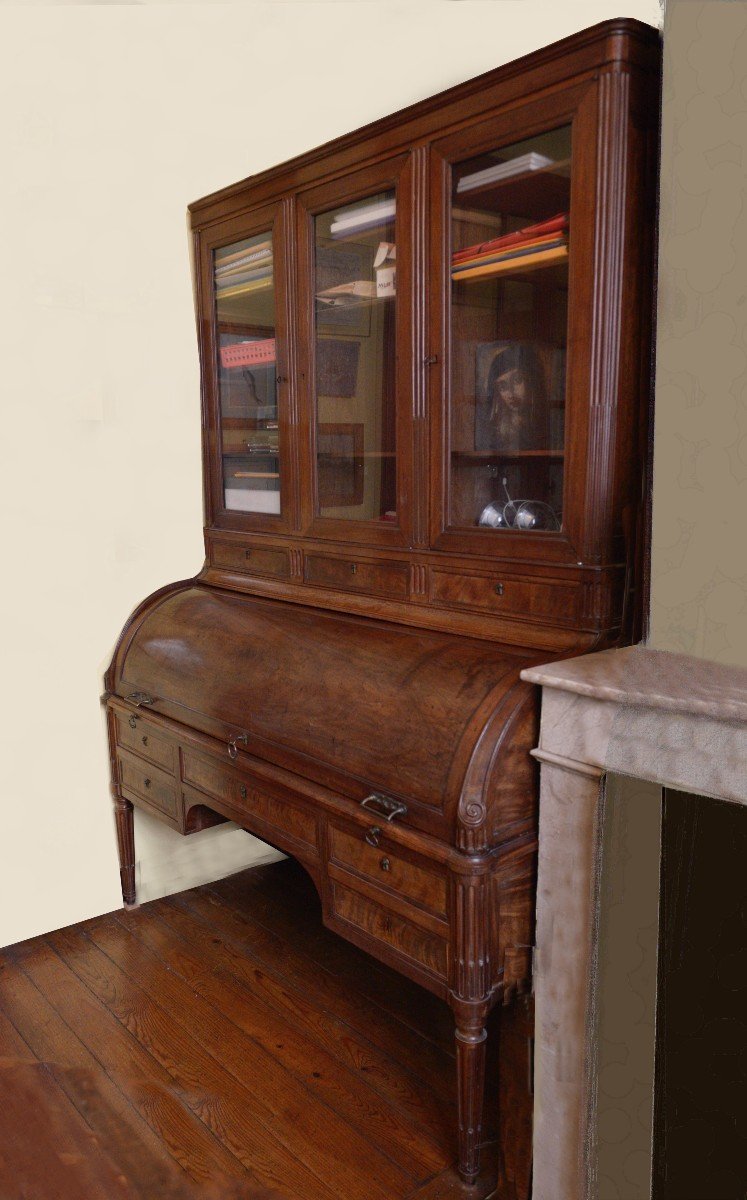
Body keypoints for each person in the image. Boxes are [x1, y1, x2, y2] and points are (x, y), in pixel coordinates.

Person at [484, 342, 546, 451]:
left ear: (531, 381)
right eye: (503, 387)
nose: (511, 393)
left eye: (517, 380)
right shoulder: (495, 432)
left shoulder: (547, 425)